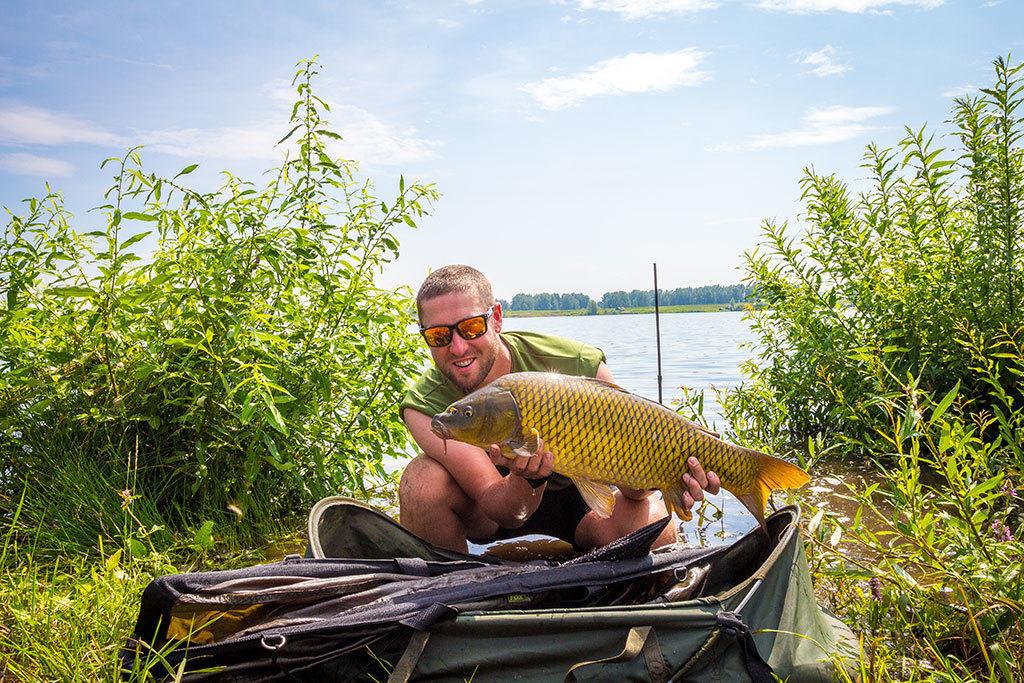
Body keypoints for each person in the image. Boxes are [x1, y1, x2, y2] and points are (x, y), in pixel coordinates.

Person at [399, 264, 721, 553]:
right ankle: (455, 588)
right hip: (490, 513)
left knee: (656, 528)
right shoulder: (428, 408)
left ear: (495, 318)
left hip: (578, 503)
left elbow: (632, 493)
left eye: (471, 327)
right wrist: (528, 479)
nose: (457, 347)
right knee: (421, 481)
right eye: (438, 336)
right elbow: (506, 512)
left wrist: (665, 471)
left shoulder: (577, 364)